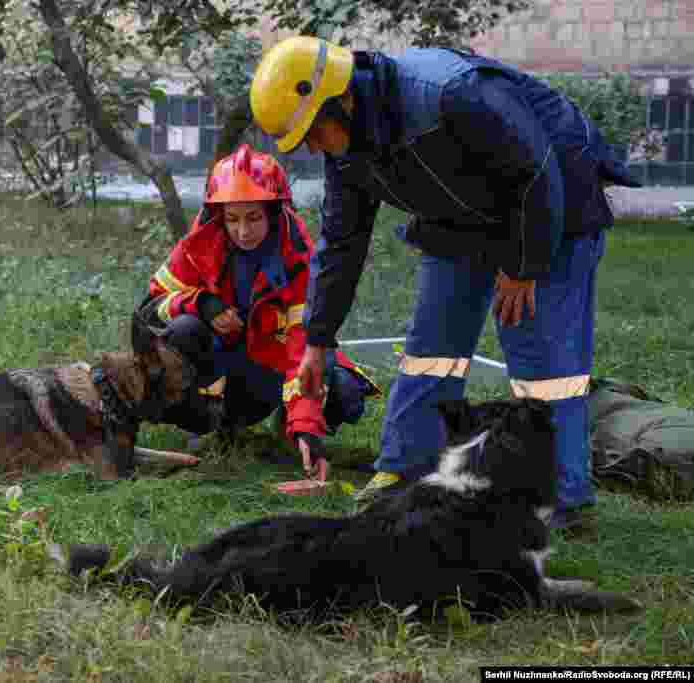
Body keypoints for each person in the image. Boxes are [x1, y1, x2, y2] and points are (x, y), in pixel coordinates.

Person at [248, 37, 641, 528]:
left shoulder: (449, 94)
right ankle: (406, 469)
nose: (310, 147)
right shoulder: (347, 151)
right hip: (461, 216)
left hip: (550, 205)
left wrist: (522, 267)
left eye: (311, 132)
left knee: (543, 364)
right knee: (432, 346)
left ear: (341, 99)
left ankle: (560, 500)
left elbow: (535, 170)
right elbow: (341, 241)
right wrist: (318, 339)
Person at [137, 144, 380, 481]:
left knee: (342, 387)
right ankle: (206, 424)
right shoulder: (200, 242)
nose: (242, 231)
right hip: (220, 364)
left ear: (273, 212)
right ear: (218, 215)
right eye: (232, 219)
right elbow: (150, 308)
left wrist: (307, 426)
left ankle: (290, 430)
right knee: (183, 331)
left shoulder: (297, 256)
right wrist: (202, 304)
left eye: (253, 218)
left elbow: (303, 344)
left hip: (266, 371)